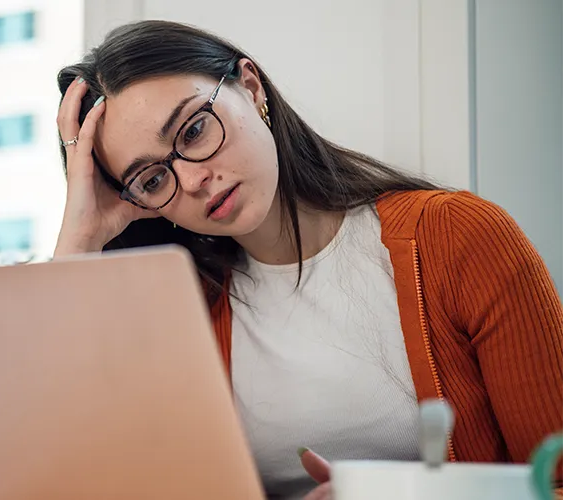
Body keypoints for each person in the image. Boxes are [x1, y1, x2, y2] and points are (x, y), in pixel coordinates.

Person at [52, 20, 563, 500]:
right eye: (153, 180)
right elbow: (55, 473)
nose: (191, 180)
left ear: (251, 89)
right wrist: (79, 238)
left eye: (192, 132)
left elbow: (556, 479)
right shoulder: (183, 315)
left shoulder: (456, 238)